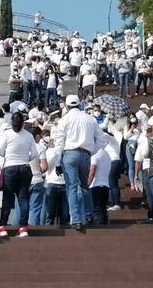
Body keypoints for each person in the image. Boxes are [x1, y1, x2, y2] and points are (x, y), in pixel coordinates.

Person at [54, 94, 107, 231]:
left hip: (69, 154)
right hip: (85, 155)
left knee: (71, 187)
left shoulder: (64, 120)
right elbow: (102, 140)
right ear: (79, 105)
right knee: (84, 185)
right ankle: (89, 214)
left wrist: (58, 162)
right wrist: (91, 151)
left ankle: (76, 219)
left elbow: (59, 143)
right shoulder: (90, 119)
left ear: (67, 105)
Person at [0, 112, 39, 238]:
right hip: (25, 167)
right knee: (23, 197)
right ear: (23, 122)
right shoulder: (28, 135)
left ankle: (2, 227)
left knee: (7, 198)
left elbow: (0, 151)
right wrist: (24, 158)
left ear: (12, 122)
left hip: (10, 167)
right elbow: (34, 153)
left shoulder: (6, 134)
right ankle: (23, 228)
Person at [43, 128, 69, 225]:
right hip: (61, 183)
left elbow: (45, 167)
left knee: (50, 214)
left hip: (52, 183)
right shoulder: (66, 151)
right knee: (64, 215)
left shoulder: (49, 151)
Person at [89, 145, 111, 225]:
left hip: (95, 185)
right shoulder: (107, 154)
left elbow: (92, 171)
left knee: (97, 209)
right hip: (105, 185)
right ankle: (105, 227)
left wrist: (88, 183)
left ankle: (99, 228)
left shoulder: (95, 154)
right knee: (103, 209)